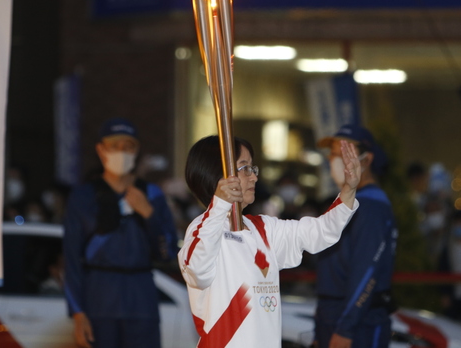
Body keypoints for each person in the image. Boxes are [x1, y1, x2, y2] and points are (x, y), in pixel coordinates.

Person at [178, 135, 360, 347]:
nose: (254, 177)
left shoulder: (264, 229)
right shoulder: (202, 229)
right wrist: (219, 205)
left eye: (253, 169)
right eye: (244, 168)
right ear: (218, 175)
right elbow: (196, 270)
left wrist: (349, 188)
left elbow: (320, 231)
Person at [63, 118, 178, 348]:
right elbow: (71, 259)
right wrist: (78, 312)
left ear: (136, 151)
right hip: (99, 301)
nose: (121, 152)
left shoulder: (151, 194)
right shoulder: (83, 197)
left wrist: (148, 214)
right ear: (101, 149)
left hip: (141, 301)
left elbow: (167, 252)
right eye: (114, 146)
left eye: (128, 146)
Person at [314, 124, 397, 348]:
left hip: (357, 326)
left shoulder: (370, 207)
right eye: (332, 154)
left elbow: (367, 271)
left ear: (366, 159)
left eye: (343, 154)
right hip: (333, 318)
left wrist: (345, 328)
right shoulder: (346, 204)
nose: (334, 160)